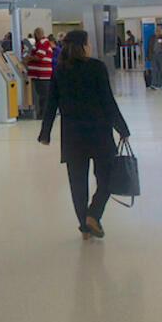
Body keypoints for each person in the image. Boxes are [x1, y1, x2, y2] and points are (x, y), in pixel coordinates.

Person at [37, 30, 130, 239]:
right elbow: (107, 101)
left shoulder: (60, 71)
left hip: (73, 136)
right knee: (106, 179)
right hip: (99, 133)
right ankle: (93, 214)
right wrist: (122, 128)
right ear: (82, 45)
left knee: (77, 184)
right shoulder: (96, 67)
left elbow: (52, 104)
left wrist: (45, 133)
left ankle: (84, 227)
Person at [24, 27, 55, 119]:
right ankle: (42, 113)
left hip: (42, 75)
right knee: (42, 95)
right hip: (39, 74)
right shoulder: (40, 43)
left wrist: (29, 58)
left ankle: (43, 114)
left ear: (37, 34)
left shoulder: (43, 42)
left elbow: (39, 56)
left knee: (43, 95)